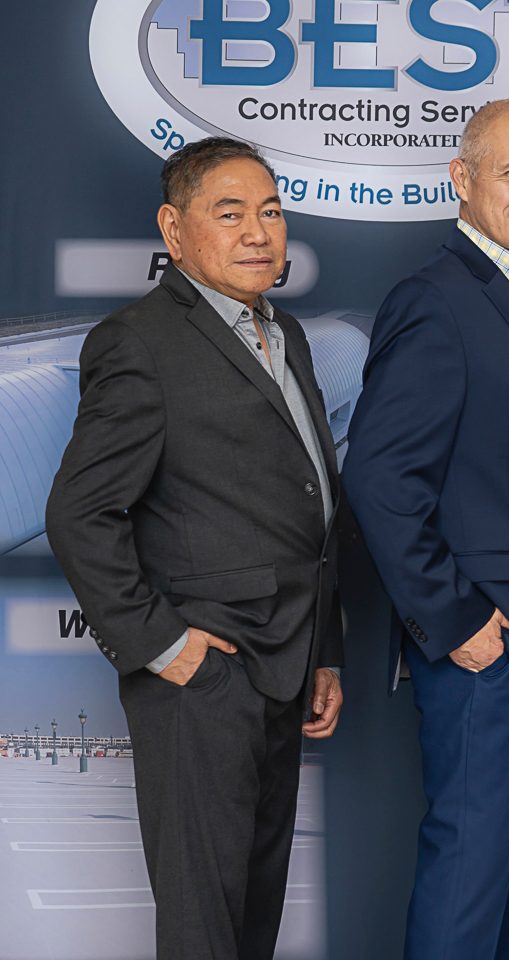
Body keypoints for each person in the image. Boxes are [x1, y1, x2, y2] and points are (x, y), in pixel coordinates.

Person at [45, 137, 345, 960]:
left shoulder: (287, 336)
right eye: (231, 212)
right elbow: (80, 512)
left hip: (287, 667)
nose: (259, 232)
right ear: (173, 231)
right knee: (203, 928)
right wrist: (162, 646)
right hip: (203, 682)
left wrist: (325, 651)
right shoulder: (139, 341)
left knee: (252, 920)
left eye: (272, 212)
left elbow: (308, 505)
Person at [342, 99, 509, 960]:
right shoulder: (437, 299)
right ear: (463, 178)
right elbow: (378, 478)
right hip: (484, 649)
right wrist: (457, 623)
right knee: (468, 888)